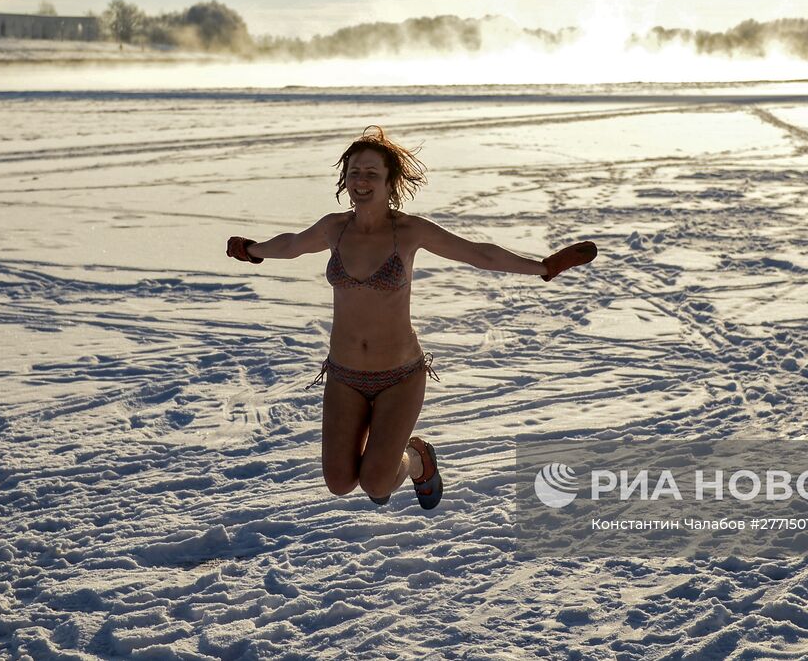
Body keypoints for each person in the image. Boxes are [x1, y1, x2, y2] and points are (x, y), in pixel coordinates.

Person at [226, 126, 597, 510]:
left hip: (399, 376)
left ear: (390, 181)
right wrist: (251, 250)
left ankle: (417, 458)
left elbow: (478, 253)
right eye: (354, 172)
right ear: (344, 179)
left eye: (371, 173)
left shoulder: (409, 231)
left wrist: (542, 267)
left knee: (375, 484)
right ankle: (395, 459)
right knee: (339, 483)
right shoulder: (333, 229)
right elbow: (292, 244)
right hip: (344, 374)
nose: (361, 181)